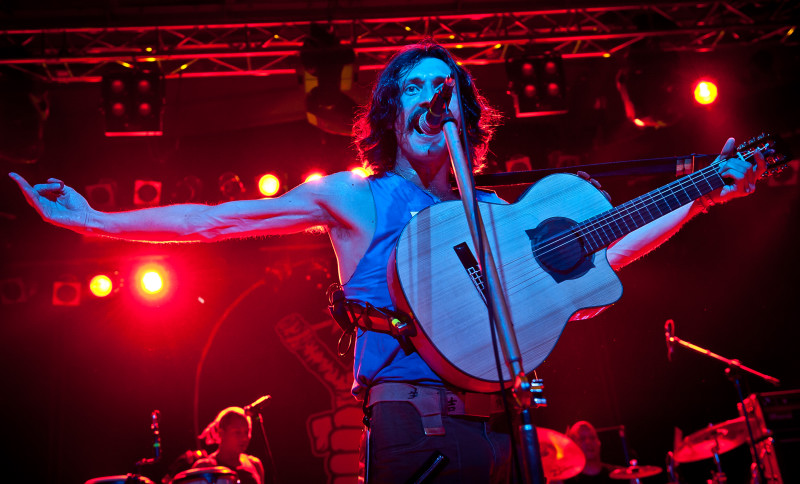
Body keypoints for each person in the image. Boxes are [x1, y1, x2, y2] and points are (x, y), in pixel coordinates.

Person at [9, 40, 765, 483]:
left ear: (468, 113)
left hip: (516, 428)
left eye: (447, 87)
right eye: (414, 86)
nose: (432, 97)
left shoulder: (498, 215)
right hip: (415, 422)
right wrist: (94, 220)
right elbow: (216, 220)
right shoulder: (356, 199)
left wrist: (700, 198)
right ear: (391, 112)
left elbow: (608, 255)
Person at [192, 407, 265, 484]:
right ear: (222, 433)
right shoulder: (205, 467)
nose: (244, 438)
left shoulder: (255, 464)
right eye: (237, 432)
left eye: (247, 432)